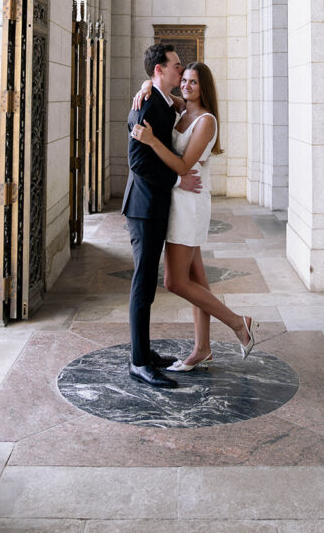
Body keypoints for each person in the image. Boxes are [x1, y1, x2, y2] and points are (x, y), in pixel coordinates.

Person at [131, 61, 255, 371]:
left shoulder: (206, 121)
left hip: (190, 201)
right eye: (184, 80)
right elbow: (160, 91)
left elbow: (184, 166)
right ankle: (203, 349)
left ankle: (238, 323)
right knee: (197, 278)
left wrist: (152, 141)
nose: (186, 86)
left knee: (175, 281)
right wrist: (145, 86)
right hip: (177, 198)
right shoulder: (182, 108)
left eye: (193, 82)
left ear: (204, 88)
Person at [122, 44, 202, 389]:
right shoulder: (146, 104)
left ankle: (144, 352)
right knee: (143, 286)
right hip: (144, 208)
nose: (180, 72)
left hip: (154, 206)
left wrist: (145, 85)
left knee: (147, 286)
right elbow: (138, 162)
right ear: (159, 70)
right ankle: (139, 363)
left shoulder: (160, 100)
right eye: (176, 66)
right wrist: (178, 180)